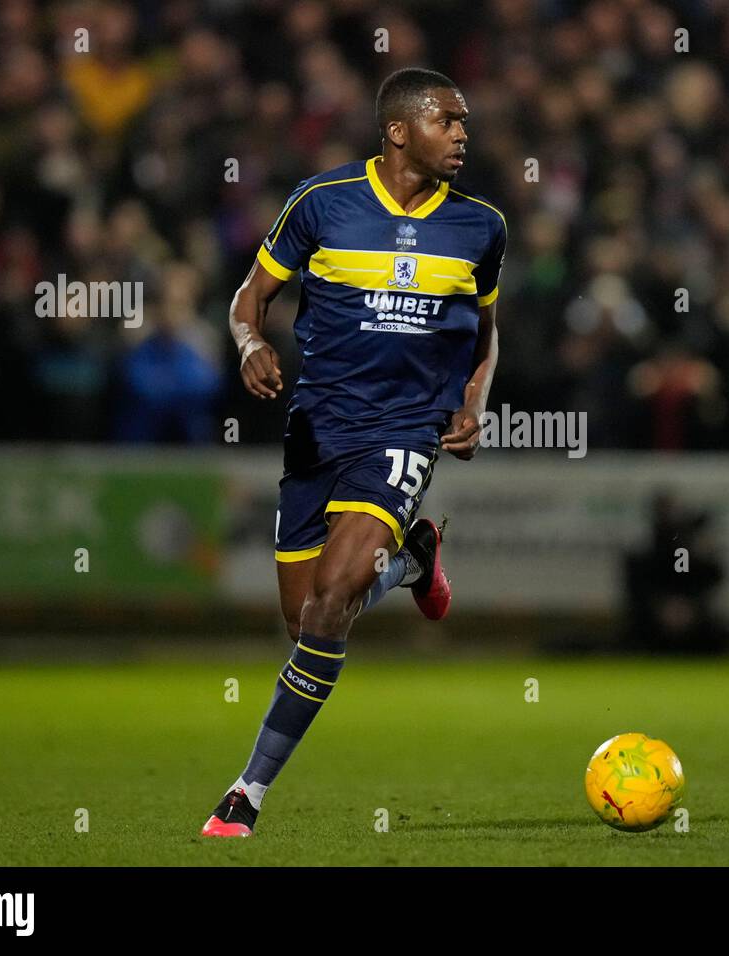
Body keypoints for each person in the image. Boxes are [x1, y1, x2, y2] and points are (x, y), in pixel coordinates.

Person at [200, 67, 506, 837]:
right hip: (315, 430)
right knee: (308, 621)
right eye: (448, 121)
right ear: (399, 130)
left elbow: (486, 335)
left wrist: (474, 405)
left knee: (334, 599)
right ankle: (410, 562)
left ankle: (247, 793)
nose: (463, 135)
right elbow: (249, 298)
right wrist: (246, 345)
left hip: (404, 431)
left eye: (465, 123)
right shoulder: (321, 202)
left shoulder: (482, 227)